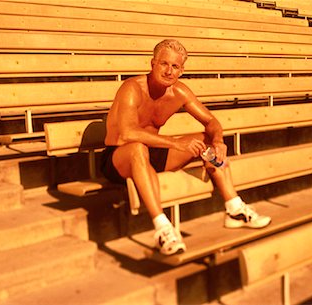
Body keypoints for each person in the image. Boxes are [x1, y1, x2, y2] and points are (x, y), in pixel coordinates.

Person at [101, 39, 271, 255]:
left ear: (182, 70)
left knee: (207, 142)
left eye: (175, 66)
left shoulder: (179, 92)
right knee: (137, 148)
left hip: (152, 154)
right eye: (164, 64)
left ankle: (234, 209)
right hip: (119, 158)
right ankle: (163, 230)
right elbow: (128, 133)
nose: (169, 71)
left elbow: (211, 123)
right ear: (152, 63)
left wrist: (218, 141)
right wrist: (176, 142)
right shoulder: (132, 88)